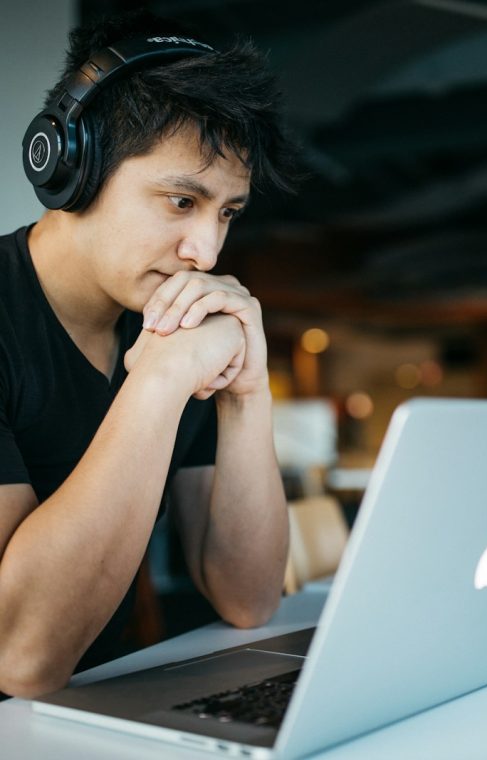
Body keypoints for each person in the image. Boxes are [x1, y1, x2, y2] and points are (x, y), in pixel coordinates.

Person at [0, 10, 294, 698]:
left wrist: (248, 392)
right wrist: (159, 381)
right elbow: (21, 656)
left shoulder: (162, 319)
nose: (208, 252)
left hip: (95, 714)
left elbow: (247, 597)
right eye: (181, 200)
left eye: (227, 212)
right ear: (74, 169)